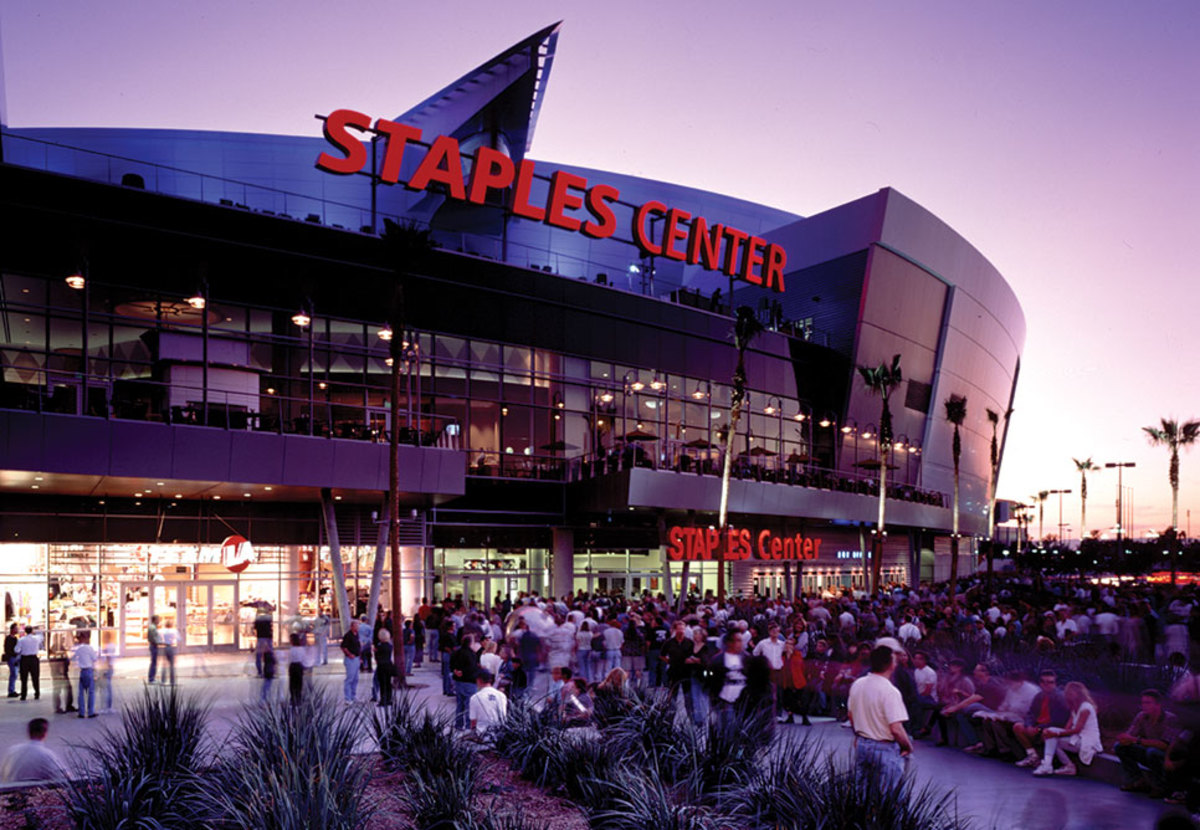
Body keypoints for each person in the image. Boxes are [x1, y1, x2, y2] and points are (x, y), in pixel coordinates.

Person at [847, 645, 914, 790]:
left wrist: (858, 735)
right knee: (889, 796)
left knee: (862, 792)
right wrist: (907, 746)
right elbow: (896, 728)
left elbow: (851, 715)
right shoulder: (890, 691)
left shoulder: (858, 684)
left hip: (863, 744)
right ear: (891, 665)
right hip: (885, 747)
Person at [1115, 688, 1181, 797]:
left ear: (1158, 704)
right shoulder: (1141, 716)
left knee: (1153, 752)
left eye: (1148, 703)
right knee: (1119, 747)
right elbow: (1130, 735)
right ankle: (1139, 781)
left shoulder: (1170, 719)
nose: (1144, 706)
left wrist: (1136, 740)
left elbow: (1165, 745)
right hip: (1148, 752)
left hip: (1166, 756)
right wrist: (1124, 739)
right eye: (1142, 703)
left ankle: (1161, 786)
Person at [1036, 681, 1103, 776]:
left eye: (1071, 693)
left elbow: (1077, 729)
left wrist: (1056, 734)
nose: (1069, 696)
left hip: (1087, 741)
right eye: (1067, 693)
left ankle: (1051, 765)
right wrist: (1049, 732)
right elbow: (1067, 728)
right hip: (1077, 738)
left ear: (1079, 694)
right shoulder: (1074, 707)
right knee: (1051, 734)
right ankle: (1052, 765)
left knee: (1053, 737)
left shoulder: (1086, 708)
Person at [1013, 670, 1071, 768]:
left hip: (1048, 728)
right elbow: (1030, 713)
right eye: (1043, 682)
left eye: (1050, 682)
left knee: (1047, 732)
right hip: (1037, 726)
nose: (1046, 685)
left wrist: (1039, 728)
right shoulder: (1039, 696)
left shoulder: (1060, 698)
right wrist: (1029, 725)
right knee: (1017, 727)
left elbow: (1058, 721)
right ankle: (1032, 755)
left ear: (1055, 683)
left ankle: (1047, 762)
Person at [0, 719, 63, 783]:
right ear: (44, 733)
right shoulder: (46, 754)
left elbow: (2, 774)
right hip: (28, 791)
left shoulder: (12, 750)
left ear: (28, 732)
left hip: (6, 790)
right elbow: (64, 778)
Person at [450, 634, 481, 729]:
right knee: (469, 705)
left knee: (460, 704)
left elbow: (451, 663)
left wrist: (455, 671)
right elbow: (472, 668)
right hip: (469, 681)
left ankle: (458, 724)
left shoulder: (457, 652)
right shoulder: (471, 654)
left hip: (458, 681)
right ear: (470, 643)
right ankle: (468, 725)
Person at [469, 669, 508, 736]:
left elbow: (473, 721)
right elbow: (503, 716)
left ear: (479, 680)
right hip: (499, 732)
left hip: (481, 733)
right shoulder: (501, 695)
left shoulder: (475, 698)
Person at [72, 630, 98, 719]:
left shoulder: (78, 649)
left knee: (81, 693)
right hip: (89, 670)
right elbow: (95, 658)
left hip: (82, 671)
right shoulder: (89, 648)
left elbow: (73, 658)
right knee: (91, 692)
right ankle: (90, 712)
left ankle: (81, 712)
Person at [17, 626, 42, 702]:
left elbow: (16, 650)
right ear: (32, 631)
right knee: (35, 677)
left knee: (24, 678)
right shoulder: (37, 639)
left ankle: (24, 695)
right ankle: (37, 693)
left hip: (24, 659)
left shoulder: (21, 640)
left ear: (25, 631)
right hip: (34, 659)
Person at [341, 620, 362, 704]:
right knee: (350, 678)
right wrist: (349, 654)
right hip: (350, 659)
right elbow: (343, 647)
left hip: (357, 659)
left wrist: (360, 658)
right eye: (356, 626)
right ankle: (347, 698)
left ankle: (353, 696)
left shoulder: (357, 635)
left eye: (358, 626)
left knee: (355, 678)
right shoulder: (348, 635)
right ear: (352, 626)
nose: (358, 627)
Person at [49, 643, 75, 714]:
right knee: (63, 689)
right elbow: (66, 665)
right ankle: (65, 706)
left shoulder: (52, 658)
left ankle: (59, 707)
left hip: (57, 675)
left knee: (58, 690)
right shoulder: (60, 659)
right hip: (61, 675)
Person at [375, 628, 395, 707]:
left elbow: (377, 656)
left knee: (382, 684)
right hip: (388, 664)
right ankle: (389, 699)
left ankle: (383, 700)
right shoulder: (389, 646)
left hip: (381, 666)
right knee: (388, 683)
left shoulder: (379, 646)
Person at [253, 608, 273, 677]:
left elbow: (255, 628)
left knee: (258, 656)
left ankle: (259, 673)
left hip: (260, 638)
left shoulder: (257, 619)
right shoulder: (269, 619)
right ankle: (269, 671)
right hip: (268, 638)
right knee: (269, 655)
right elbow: (270, 628)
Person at [160, 619, 178, 686]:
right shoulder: (173, 631)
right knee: (172, 665)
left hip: (165, 647)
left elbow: (159, 638)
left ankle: (163, 681)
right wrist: (172, 640)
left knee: (164, 665)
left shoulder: (162, 631)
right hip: (170, 647)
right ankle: (172, 681)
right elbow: (178, 638)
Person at [4, 623, 18, 698]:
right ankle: (11, 691)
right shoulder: (9, 638)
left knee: (14, 674)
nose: (17, 630)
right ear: (12, 629)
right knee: (13, 674)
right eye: (16, 628)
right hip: (12, 658)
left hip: (15, 657)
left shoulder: (15, 638)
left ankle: (12, 690)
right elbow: (7, 649)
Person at [262, 637, 278, 702]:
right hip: (269, 670)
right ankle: (265, 697)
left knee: (266, 683)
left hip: (267, 669)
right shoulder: (270, 654)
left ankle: (264, 697)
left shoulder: (265, 654)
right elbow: (274, 662)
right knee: (268, 684)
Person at [147, 615, 161, 683]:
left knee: (154, 662)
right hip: (153, 646)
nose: (159, 621)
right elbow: (153, 638)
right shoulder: (153, 628)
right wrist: (159, 642)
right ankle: (151, 678)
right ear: (155, 620)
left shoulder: (153, 627)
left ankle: (152, 677)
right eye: (158, 619)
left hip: (153, 645)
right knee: (153, 662)